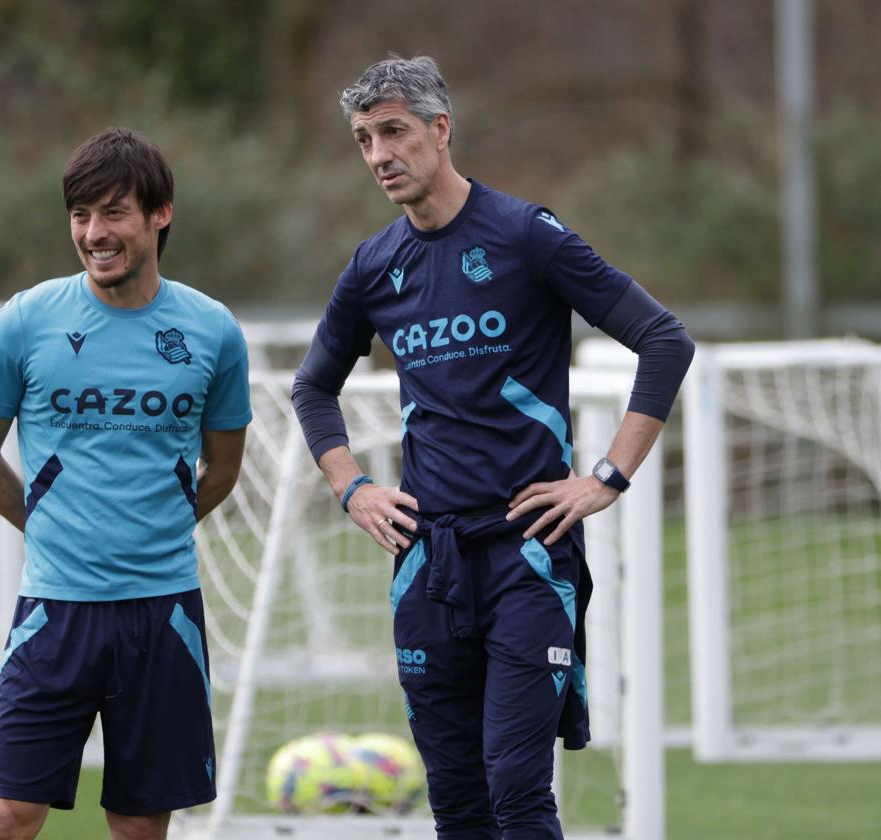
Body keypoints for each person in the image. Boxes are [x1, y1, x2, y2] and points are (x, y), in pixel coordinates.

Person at [292, 56, 693, 839]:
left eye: (395, 132)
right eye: (364, 138)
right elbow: (312, 388)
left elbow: (663, 340)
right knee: (459, 804)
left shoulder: (524, 235)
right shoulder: (374, 267)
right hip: (426, 564)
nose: (379, 154)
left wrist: (607, 477)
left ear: (441, 131)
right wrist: (353, 487)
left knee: (516, 787)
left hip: (527, 556)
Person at [0, 127, 252, 840]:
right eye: (81, 215)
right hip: (53, 613)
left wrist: (157, 529)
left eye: (114, 213)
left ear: (161, 214)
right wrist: (52, 525)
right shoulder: (26, 321)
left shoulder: (213, 331)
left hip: (163, 614)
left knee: (140, 826)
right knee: (3, 816)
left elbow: (225, 466)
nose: (94, 233)